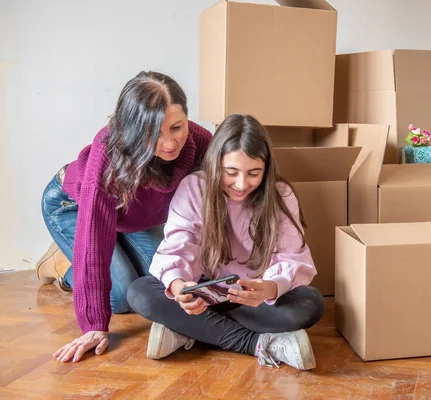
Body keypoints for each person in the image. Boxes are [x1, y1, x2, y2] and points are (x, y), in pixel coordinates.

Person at [37, 71, 213, 363]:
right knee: (119, 296)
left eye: (176, 127)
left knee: (161, 283)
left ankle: (118, 248)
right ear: (132, 129)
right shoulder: (108, 157)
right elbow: (93, 242)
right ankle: (57, 265)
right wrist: (94, 325)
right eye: (154, 133)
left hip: (130, 218)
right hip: (73, 206)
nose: (170, 143)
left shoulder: (199, 142)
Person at [127, 114, 324, 370]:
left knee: (310, 304)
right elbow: (179, 244)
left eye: (254, 173)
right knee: (141, 292)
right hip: (204, 291)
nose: (242, 185)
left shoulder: (280, 194)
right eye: (231, 172)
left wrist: (270, 287)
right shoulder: (194, 187)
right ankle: (256, 343)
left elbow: (290, 256)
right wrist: (180, 287)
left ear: (266, 170)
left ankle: (188, 330)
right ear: (215, 164)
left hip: (253, 297)